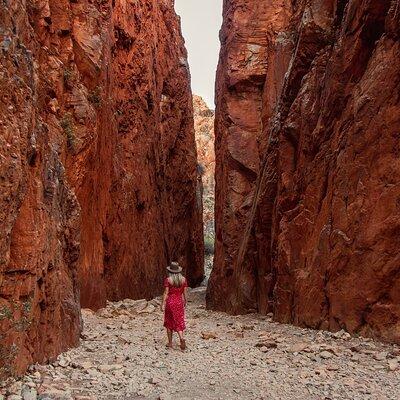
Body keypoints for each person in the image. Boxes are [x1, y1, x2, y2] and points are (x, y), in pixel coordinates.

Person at [161, 261, 188, 350]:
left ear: (170, 271)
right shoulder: (183, 280)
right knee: (179, 320)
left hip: (170, 302)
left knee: (169, 322)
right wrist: (185, 301)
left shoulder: (168, 280)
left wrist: (162, 304)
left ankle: (170, 343)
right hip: (179, 302)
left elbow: (166, 292)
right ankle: (181, 338)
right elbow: (185, 292)